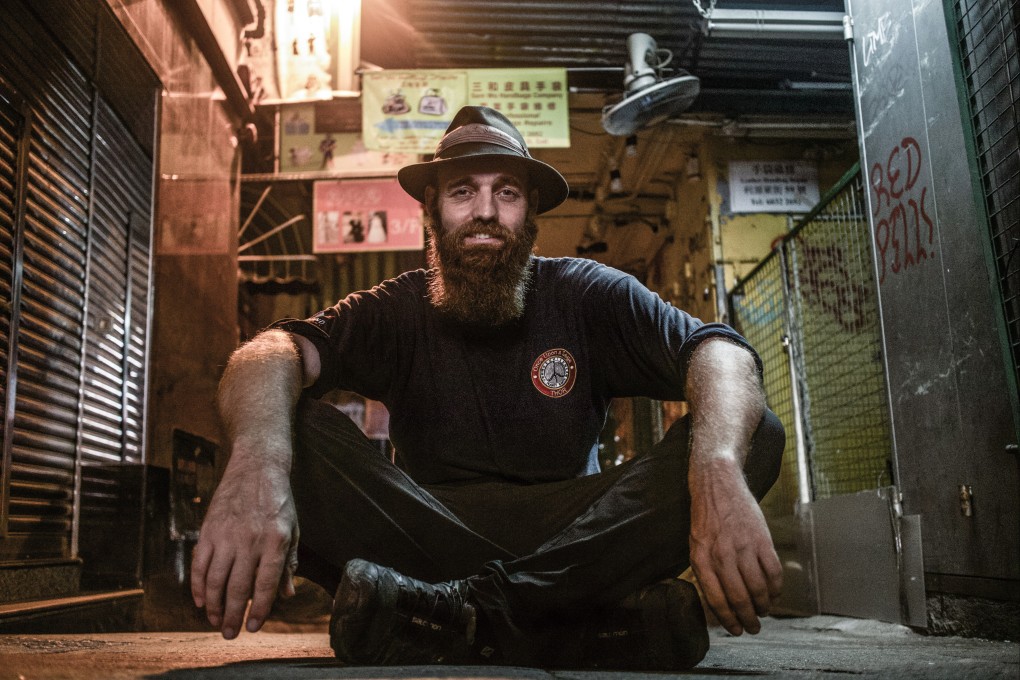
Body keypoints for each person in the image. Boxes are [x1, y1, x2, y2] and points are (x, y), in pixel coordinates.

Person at [191, 106, 786, 670]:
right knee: (276, 418)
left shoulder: (586, 293)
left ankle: (457, 616)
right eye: (462, 192)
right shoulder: (396, 309)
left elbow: (719, 351)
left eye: (506, 192)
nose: (485, 210)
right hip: (423, 532)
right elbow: (271, 352)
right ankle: (566, 626)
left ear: (530, 214)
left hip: (577, 537)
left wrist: (716, 469)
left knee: (753, 431)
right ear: (433, 211)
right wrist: (255, 464)